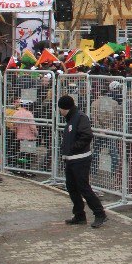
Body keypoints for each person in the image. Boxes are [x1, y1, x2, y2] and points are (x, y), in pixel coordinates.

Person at [57, 94, 106, 227]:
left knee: (84, 188)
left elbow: (87, 135)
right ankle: (79, 215)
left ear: (63, 108)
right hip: (71, 159)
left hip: (80, 159)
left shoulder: (80, 117)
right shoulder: (71, 118)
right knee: (72, 188)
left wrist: (73, 147)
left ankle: (100, 213)